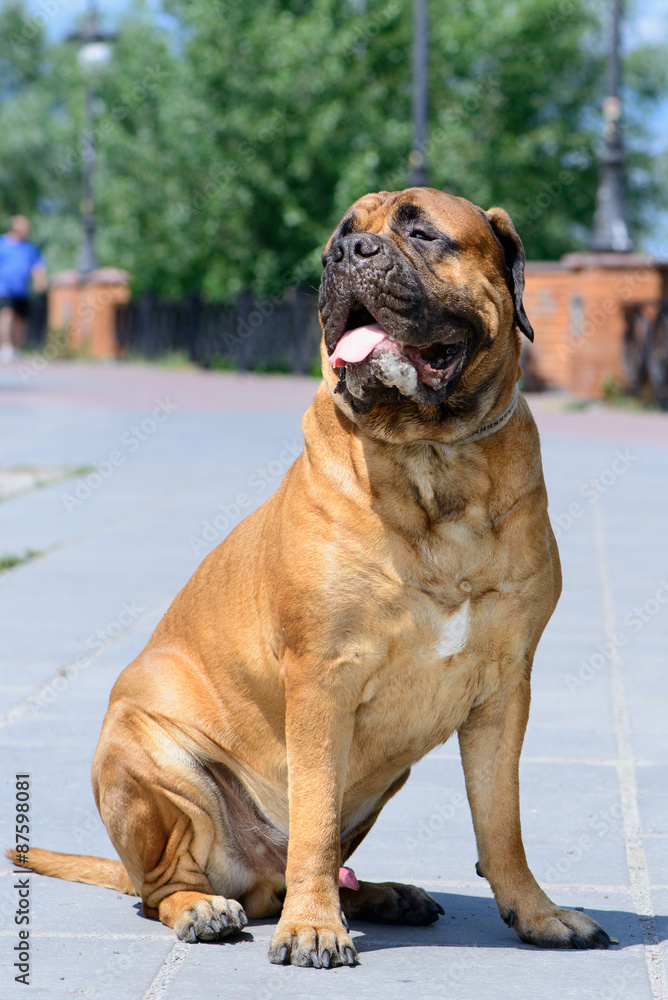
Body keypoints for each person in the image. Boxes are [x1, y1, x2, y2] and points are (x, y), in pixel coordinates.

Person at [0, 215, 47, 363]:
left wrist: (40, 281)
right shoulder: (2, 244)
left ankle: (18, 349)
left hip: (22, 290)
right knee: (7, 316)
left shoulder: (29, 248)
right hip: (4, 287)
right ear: (15, 228)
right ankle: (6, 348)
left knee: (21, 320)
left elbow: (38, 266)